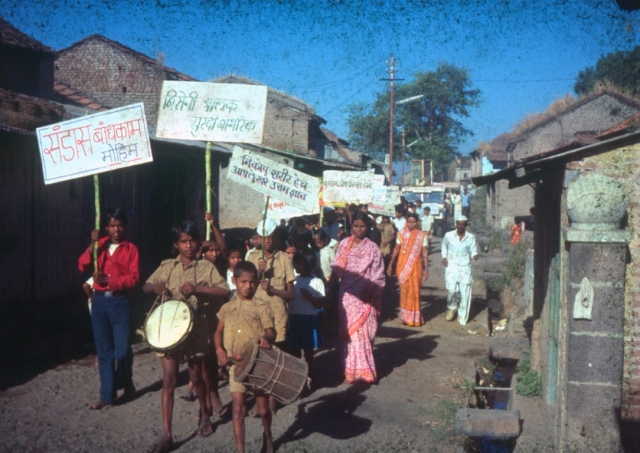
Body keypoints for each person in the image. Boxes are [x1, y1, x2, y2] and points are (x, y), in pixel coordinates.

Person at [143, 221, 230, 452]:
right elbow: (145, 285)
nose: (188, 245)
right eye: (183, 241)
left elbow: (224, 290)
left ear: (198, 243)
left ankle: (205, 413)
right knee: (169, 379)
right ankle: (167, 435)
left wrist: (197, 288)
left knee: (197, 376)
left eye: (192, 240)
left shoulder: (206, 268)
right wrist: (155, 287)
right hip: (169, 330)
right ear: (176, 244)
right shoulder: (167, 266)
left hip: (196, 328)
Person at [78, 208, 139, 411]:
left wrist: (109, 280)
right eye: (112, 225)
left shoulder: (131, 249)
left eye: (120, 225)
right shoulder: (99, 246)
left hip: (120, 302)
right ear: (106, 227)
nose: (116, 229)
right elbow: (82, 264)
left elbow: (134, 278)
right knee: (104, 350)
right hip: (99, 302)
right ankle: (107, 395)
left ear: (124, 227)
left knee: (121, 350)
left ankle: (125, 380)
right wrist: (92, 244)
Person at [214, 261, 276, 453]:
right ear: (234, 281)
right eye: (243, 282)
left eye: (252, 282)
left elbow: (271, 332)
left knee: (264, 410)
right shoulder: (226, 308)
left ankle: (268, 437)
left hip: (258, 363)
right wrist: (219, 350)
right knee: (238, 408)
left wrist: (266, 338)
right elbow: (217, 332)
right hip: (236, 365)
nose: (248, 286)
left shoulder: (262, 307)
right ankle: (240, 449)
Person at [330, 211, 386, 384]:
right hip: (347, 295)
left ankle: (364, 371)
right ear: (351, 226)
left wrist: (369, 290)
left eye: (362, 226)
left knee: (363, 333)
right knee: (351, 334)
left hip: (366, 297)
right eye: (356, 226)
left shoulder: (373, 248)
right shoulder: (344, 244)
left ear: (368, 227)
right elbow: (337, 269)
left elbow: (379, 275)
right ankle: (350, 370)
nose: (359, 230)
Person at [246, 219, 295, 415]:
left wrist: (272, 289)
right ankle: (260, 401)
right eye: (263, 237)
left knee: (274, 357)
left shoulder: (284, 259)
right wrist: (258, 271)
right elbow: (246, 287)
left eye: (271, 237)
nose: (267, 241)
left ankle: (272, 400)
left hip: (277, 316)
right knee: (258, 357)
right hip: (257, 314)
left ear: (276, 237)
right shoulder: (251, 257)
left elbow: (291, 294)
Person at [287, 249, 325, 379]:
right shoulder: (293, 281)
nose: (296, 266)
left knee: (308, 350)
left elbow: (320, 304)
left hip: (309, 319)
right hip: (294, 317)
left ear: (308, 264)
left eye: (300, 263)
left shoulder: (317, 282)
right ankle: (297, 376)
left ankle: (310, 373)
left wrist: (310, 297)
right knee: (294, 350)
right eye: (295, 263)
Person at [387, 213, 429, 327]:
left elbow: (424, 252)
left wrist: (426, 268)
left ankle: (415, 318)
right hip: (402, 266)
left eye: (413, 222)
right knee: (404, 291)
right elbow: (396, 249)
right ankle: (405, 317)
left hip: (416, 266)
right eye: (409, 221)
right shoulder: (401, 234)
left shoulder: (421, 235)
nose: (411, 224)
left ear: (417, 222)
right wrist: (391, 264)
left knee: (415, 291)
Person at [441, 216, 478, 326]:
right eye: (459, 224)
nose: (460, 226)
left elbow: (473, 250)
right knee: (452, 290)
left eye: (463, 224)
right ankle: (451, 307)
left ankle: (462, 317)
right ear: (456, 224)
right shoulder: (448, 235)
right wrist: (444, 257)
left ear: (466, 225)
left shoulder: (470, 237)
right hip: (451, 265)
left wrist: (475, 255)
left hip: (464, 267)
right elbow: (444, 246)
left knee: (465, 292)